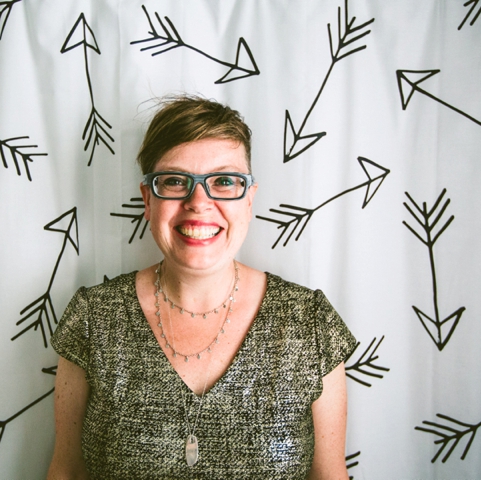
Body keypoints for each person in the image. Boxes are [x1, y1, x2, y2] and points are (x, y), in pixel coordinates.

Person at [46, 95, 357, 479]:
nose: (199, 202)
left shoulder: (309, 322)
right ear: (148, 200)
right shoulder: (93, 318)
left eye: (224, 181)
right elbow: (67, 472)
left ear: (249, 200)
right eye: (175, 181)